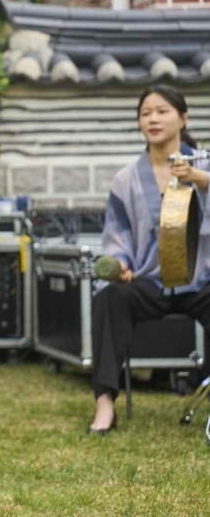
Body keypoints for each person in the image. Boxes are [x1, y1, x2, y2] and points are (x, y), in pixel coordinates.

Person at [88, 85, 210, 434]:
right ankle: (104, 405)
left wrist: (202, 181)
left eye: (162, 111)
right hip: (150, 281)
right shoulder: (126, 179)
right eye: (145, 113)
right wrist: (120, 262)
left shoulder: (205, 165)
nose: (153, 118)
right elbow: (118, 235)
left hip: (201, 280)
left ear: (183, 118)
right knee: (110, 298)